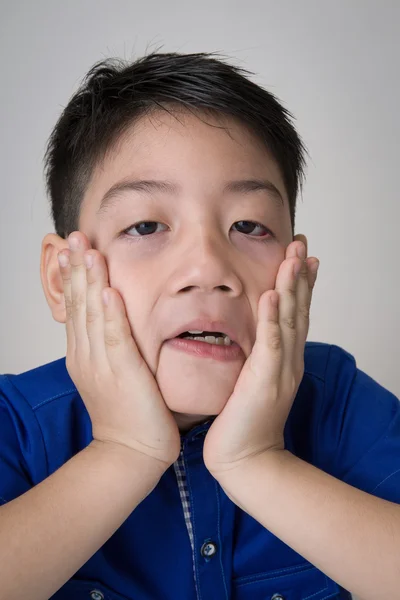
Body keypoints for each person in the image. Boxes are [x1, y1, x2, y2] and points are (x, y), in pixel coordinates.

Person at [0, 50, 399, 600]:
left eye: (249, 225)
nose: (208, 269)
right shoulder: (17, 427)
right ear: (62, 278)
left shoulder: (340, 404)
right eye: (145, 225)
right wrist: (123, 450)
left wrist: (258, 462)